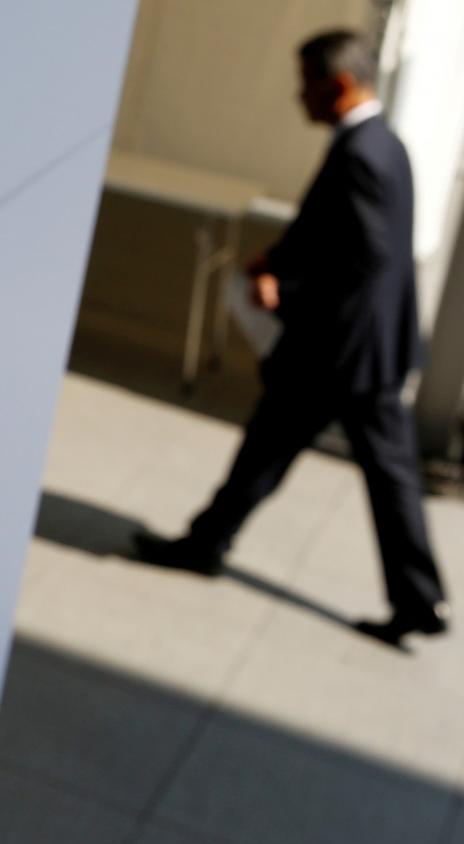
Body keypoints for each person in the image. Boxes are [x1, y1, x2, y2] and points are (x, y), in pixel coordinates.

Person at [133, 29, 450, 648]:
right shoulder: (383, 143)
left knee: (279, 449)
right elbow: (339, 235)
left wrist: (286, 289)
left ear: (338, 85)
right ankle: (418, 598)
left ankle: (206, 543)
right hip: (370, 347)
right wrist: (279, 260)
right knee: (344, 464)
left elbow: (365, 259)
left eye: (306, 83)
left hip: (339, 351)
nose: (297, 96)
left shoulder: (361, 153)